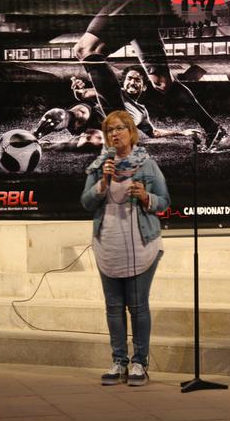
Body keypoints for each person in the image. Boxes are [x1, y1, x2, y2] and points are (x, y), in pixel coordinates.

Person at [80, 110, 170, 386]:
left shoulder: (147, 165)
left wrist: (145, 196)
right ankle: (118, 361)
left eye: (120, 128)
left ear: (131, 132)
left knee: (138, 306)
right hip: (108, 244)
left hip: (141, 244)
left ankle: (139, 363)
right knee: (113, 307)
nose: (114, 134)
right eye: (109, 130)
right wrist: (102, 184)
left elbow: (164, 201)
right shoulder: (99, 166)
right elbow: (86, 203)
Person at [73, 0, 227, 150]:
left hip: (139, 1)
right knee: (162, 82)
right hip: (148, 8)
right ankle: (212, 128)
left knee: (87, 49)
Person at [72, 65, 198, 139]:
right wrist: (78, 90)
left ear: (144, 87)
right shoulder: (112, 92)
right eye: (130, 79)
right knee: (78, 112)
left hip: (101, 133)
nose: (132, 82)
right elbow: (84, 94)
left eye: (137, 80)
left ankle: (71, 142)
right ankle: (64, 119)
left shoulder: (141, 112)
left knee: (97, 140)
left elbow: (154, 132)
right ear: (124, 82)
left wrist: (182, 132)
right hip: (86, 118)